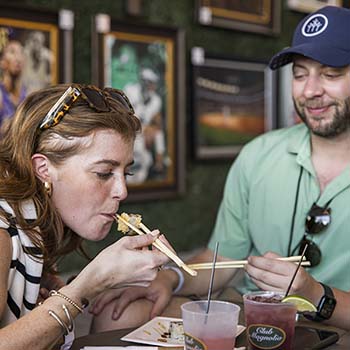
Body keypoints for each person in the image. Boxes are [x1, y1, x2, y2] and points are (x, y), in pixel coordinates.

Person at [90, 5, 350, 332]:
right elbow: (223, 261)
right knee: (118, 314)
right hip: (252, 319)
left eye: (330, 74)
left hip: (338, 331)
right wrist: (171, 277)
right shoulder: (258, 155)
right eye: (300, 74)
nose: (311, 90)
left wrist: (316, 294)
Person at [0, 83, 170, 349]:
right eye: (104, 173)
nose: (122, 191)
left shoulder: (35, 230)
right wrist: (86, 286)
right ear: (43, 169)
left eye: (126, 173)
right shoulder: (2, 230)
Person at [0, 40, 27, 128]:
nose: (18, 58)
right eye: (12, 52)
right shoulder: (1, 95)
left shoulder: (28, 96)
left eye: (21, 52)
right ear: (2, 62)